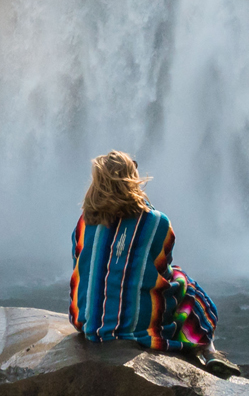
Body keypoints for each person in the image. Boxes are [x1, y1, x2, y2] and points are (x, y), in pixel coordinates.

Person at [67, 151, 218, 354]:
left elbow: (81, 267)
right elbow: (163, 272)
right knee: (185, 284)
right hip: (135, 328)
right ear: (132, 178)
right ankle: (208, 350)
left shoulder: (85, 221)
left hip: (88, 324)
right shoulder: (156, 222)